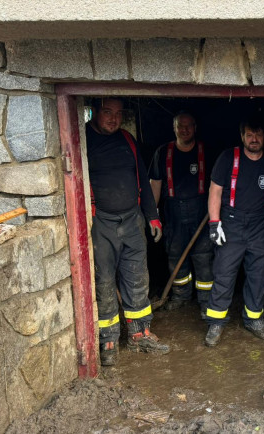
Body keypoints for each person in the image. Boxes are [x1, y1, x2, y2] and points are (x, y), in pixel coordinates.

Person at [86, 97, 170, 367]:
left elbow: (143, 181)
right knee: (104, 281)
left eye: (118, 113)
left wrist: (152, 217)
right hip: (102, 223)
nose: (113, 118)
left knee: (137, 277)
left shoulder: (127, 140)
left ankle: (140, 333)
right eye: (107, 112)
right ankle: (108, 339)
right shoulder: (83, 139)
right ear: (95, 112)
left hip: (132, 220)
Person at [203, 118, 264, 346]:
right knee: (224, 272)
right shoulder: (228, 158)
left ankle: (253, 319)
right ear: (242, 136)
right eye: (250, 134)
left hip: (261, 224)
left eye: (258, 134)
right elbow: (215, 190)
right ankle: (216, 322)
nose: (254, 139)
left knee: (259, 274)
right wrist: (215, 223)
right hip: (231, 221)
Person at [149, 112, 215, 318]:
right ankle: (181, 295)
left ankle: (206, 300)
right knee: (176, 256)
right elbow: (155, 184)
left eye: (188, 126)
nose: (184, 130)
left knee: (204, 257)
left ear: (195, 127)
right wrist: (153, 215)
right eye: (180, 126)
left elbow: (218, 185)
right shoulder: (163, 152)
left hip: (202, 213)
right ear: (174, 128)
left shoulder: (207, 151)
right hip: (173, 213)